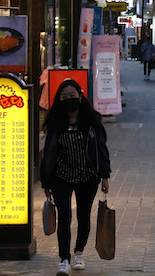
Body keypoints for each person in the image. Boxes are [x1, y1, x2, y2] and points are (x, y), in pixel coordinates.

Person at [40, 79, 111, 275]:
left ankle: (79, 252)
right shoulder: (55, 121)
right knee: (64, 216)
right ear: (59, 99)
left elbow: (101, 149)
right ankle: (64, 258)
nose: (69, 100)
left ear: (80, 96)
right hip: (61, 176)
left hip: (87, 177)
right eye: (64, 97)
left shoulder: (92, 120)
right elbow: (48, 152)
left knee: (83, 216)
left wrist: (105, 176)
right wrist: (46, 180)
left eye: (72, 96)